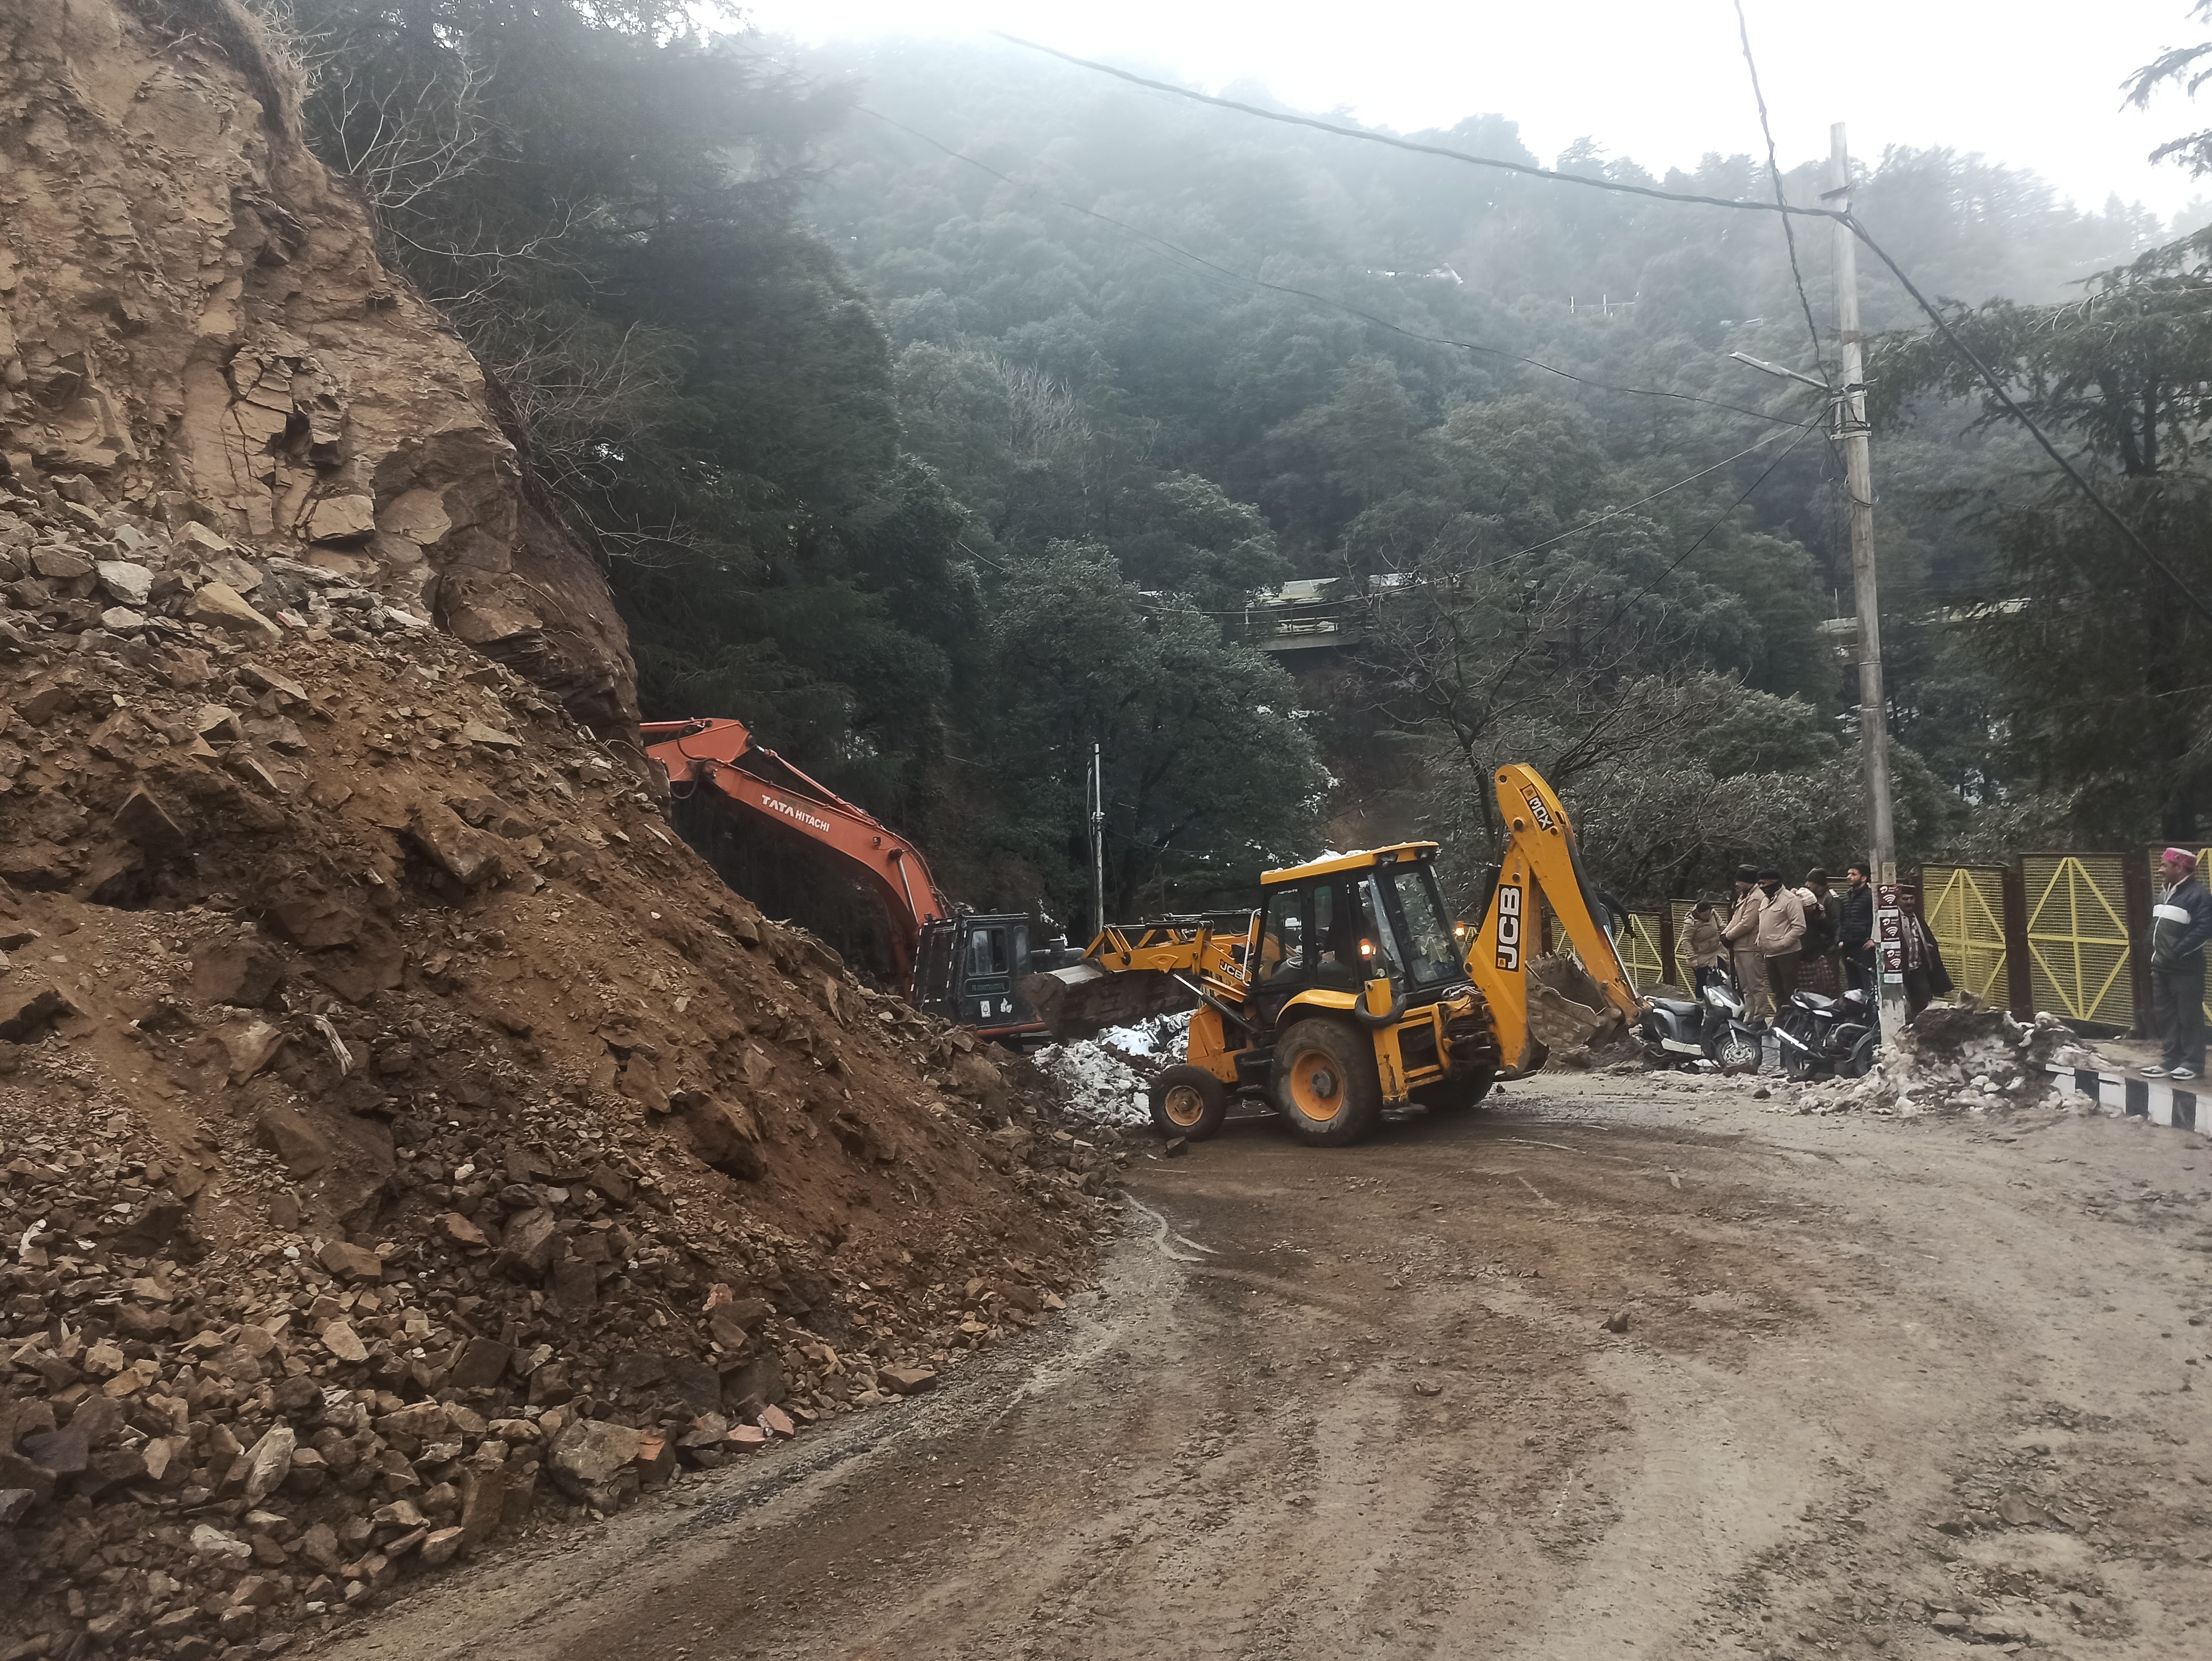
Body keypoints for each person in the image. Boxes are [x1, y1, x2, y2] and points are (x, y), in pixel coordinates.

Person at [2144, 847, 2212, 1081]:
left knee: (2189, 1015)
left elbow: (2205, 929)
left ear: (2180, 867)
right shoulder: (2163, 894)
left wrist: (2177, 952)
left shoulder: (2199, 895)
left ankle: (2193, 1063)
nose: (2160, 870)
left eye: (2165, 865)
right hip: (2161, 967)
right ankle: (2171, 1060)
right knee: (2167, 1016)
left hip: (2186, 969)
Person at [1721, 864, 1771, 1023]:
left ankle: (1760, 1017)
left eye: (1739, 880)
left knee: (1756, 985)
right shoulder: (1745, 896)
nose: (1736, 884)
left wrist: (1728, 936)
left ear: (1747, 881)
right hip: (1740, 947)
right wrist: (1724, 935)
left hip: (1751, 947)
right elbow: (1736, 919)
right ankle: (1750, 1015)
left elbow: (1747, 923)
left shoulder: (1757, 897)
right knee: (1746, 987)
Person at [1895, 885, 1953, 1018]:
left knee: (1924, 1001)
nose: (1909, 902)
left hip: (1918, 968)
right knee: (1904, 1007)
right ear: (1898, 900)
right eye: (1905, 899)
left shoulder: (1917, 918)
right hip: (1900, 971)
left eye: (1911, 898)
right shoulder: (1893, 920)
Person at [1756, 867, 1807, 1006]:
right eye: (1759, 884)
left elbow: (1800, 927)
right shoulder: (1765, 900)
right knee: (1777, 992)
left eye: (1764, 884)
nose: (1761, 887)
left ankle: (1794, 1020)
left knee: (1790, 991)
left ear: (1774, 883)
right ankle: (1782, 1018)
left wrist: (1782, 943)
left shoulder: (1790, 900)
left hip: (1787, 954)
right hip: (1769, 954)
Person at [1796, 868, 1840, 996]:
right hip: (1817, 945)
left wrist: (1836, 943)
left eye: (1810, 881)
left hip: (1829, 946)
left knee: (1830, 980)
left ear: (1818, 883)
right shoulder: (1811, 897)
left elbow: (1837, 922)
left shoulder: (1831, 898)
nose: (1807, 884)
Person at [1834, 861, 1875, 993]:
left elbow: (1878, 919)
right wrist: (1840, 939)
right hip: (1848, 947)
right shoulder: (1845, 898)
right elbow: (1841, 920)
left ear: (1864, 878)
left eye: (1853, 874)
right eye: (1849, 874)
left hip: (1864, 946)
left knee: (1868, 982)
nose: (1849, 877)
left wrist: (1874, 939)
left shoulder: (1871, 896)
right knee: (1853, 985)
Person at [1679, 898, 1727, 995]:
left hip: (1717, 950)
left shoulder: (1713, 913)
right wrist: (1692, 958)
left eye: (1709, 914)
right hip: (1701, 954)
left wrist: (1723, 930)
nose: (1708, 917)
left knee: (1724, 977)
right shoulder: (1690, 923)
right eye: (1705, 915)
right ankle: (1701, 1002)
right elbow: (1686, 941)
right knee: (1704, 981)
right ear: (1698, 913)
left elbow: (1720, 922)